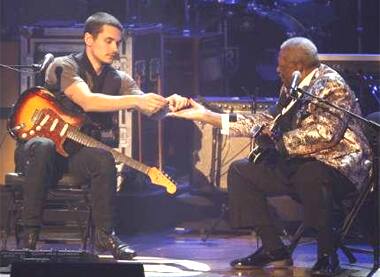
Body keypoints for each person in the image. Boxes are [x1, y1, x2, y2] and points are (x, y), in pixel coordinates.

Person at [169, 37, 372, 275]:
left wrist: (277, 141)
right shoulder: (292, 85)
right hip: (299, 162)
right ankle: (274, 248)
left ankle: (327, 254)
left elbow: (326, 134)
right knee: (242, 171)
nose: (277, 69)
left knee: (311, 174)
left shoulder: (331, 86)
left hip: (338, 166)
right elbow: (267, 121)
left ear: (299, 67)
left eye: (282, 64)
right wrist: (207, 116)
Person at [14, 12, 188, 260]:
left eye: (117, 42)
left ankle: (105, 236)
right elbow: (86, 101)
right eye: (108, 41)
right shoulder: (64, 66)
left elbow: (148, 109)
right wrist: (138, 100)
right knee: (42, 146)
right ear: (88, 39)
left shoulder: (120, 80)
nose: (114, 48)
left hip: (75, 153)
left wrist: (168, 105)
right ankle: (29, 234)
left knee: (103, 158)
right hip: (42, 150)